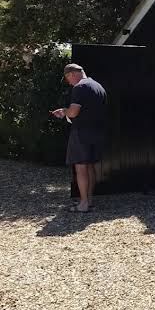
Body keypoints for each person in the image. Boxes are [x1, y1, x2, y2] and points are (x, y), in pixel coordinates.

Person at [51, 64, 107, 213]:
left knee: (81, 168)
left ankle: (83, 205)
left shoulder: (80, 87)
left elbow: (74, 112)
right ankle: (88, 200)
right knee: (89, 167)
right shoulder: (98, 87)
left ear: (72, 74)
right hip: (97, 132)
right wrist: (66, 111)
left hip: (82, 132)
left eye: (68, 79)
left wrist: (64, 111)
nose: (69, 83)